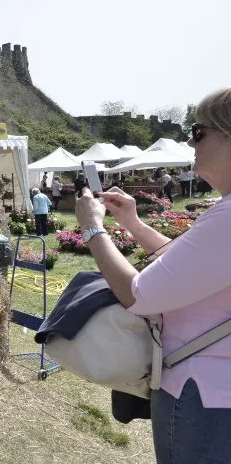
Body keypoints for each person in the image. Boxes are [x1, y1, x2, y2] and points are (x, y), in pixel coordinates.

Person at [74, 87, 231, 462]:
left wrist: (92, 229)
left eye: (198, 132)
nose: (191, 144)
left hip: (204, 395)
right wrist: (131, 222)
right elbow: (189, 266)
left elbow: (139, 295)